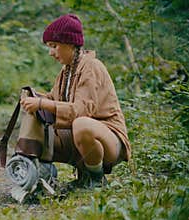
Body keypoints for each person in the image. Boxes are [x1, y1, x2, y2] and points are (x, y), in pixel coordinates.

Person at [18, 14, 131, 188]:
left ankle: (95, 179)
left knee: (82, 124)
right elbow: (53, 99)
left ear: (70, 44)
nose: (51, 53)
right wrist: (34, 98)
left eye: (54, 46)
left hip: (109, 138)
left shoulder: (92, 67)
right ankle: (39, 173)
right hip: (77, 136)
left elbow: (81, 111)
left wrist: (42, 104)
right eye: (49, 47)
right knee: (38, 123)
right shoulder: (66, 71)